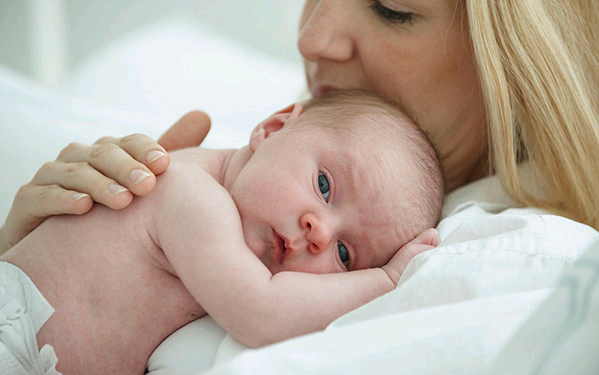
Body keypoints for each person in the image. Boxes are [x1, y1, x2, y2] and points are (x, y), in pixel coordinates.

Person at [0, 90, 443, 375]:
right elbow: (264, 312)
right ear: (271, 129)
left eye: (345, 255)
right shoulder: (190, 194)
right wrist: (385, 279)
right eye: (324, 185)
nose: (319, 233)